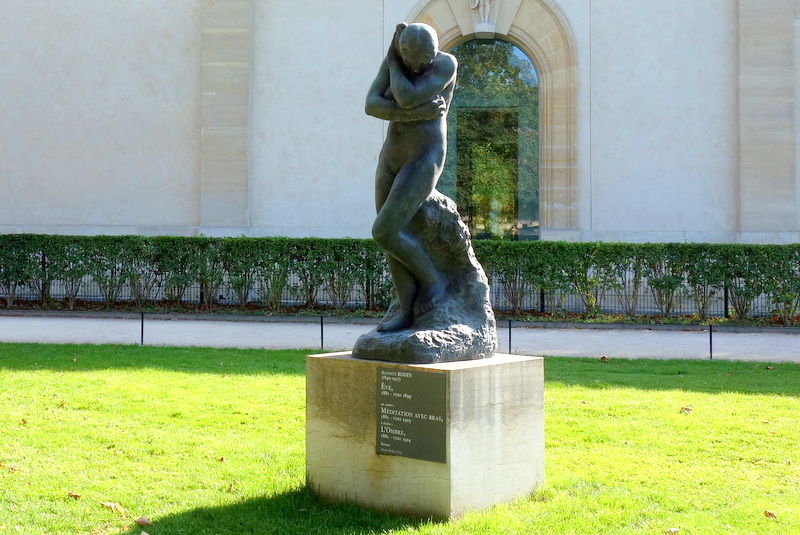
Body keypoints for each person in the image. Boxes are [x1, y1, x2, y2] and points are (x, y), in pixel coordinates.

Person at [364, 22, 458, 332]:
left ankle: (433, 279)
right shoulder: (397, 60)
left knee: (384, 231)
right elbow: (371, 104)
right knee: (390, 236)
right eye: (411, 59)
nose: (418, 66)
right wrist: (415, 114)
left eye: (424, 60)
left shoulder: (446, 64)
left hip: (424, 157)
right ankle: (405, 310)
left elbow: (405, 96)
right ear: (402, 50)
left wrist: (393, 62)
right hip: (391, 157)